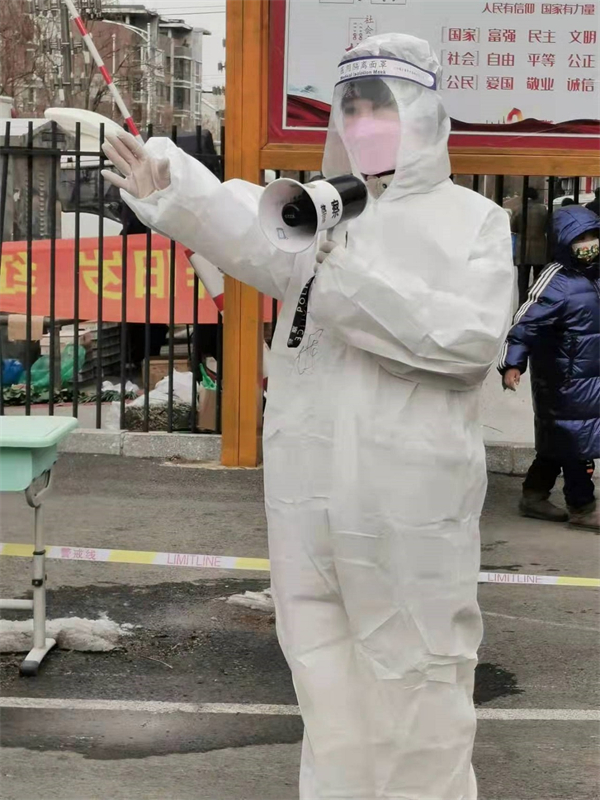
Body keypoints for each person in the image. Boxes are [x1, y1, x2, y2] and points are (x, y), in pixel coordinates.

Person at [102, 33, 514, 800]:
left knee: (419, 690)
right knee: (325, 688)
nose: (363, 123)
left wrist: (341, 274)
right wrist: (175, 186)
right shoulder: (322, 216)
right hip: (305, 504)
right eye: (350, 107)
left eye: (381, 106)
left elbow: (464, 342)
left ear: (424, 114)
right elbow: (240, 221)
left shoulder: (471, 224)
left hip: (407, 512)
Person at [499, 205, 600, 532]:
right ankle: (582, 506)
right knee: (575, 441)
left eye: (593, 236)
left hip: (589, 376)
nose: (588, 243)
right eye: (580, 238)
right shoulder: (555, 280)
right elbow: (524, 324)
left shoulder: (595, 274)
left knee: (562, 439)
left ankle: (534, 495)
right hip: (562, 379)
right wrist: (512, 363)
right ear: (563, 241)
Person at [511, 186, 548, 305]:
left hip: (522, 248)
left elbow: (513, 227)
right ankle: (536, 303)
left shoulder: (519, 209)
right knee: (539, 279)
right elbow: (548, 227)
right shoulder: (543, 210)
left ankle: (522, 303)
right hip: (540, 248)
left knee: (522, 280)